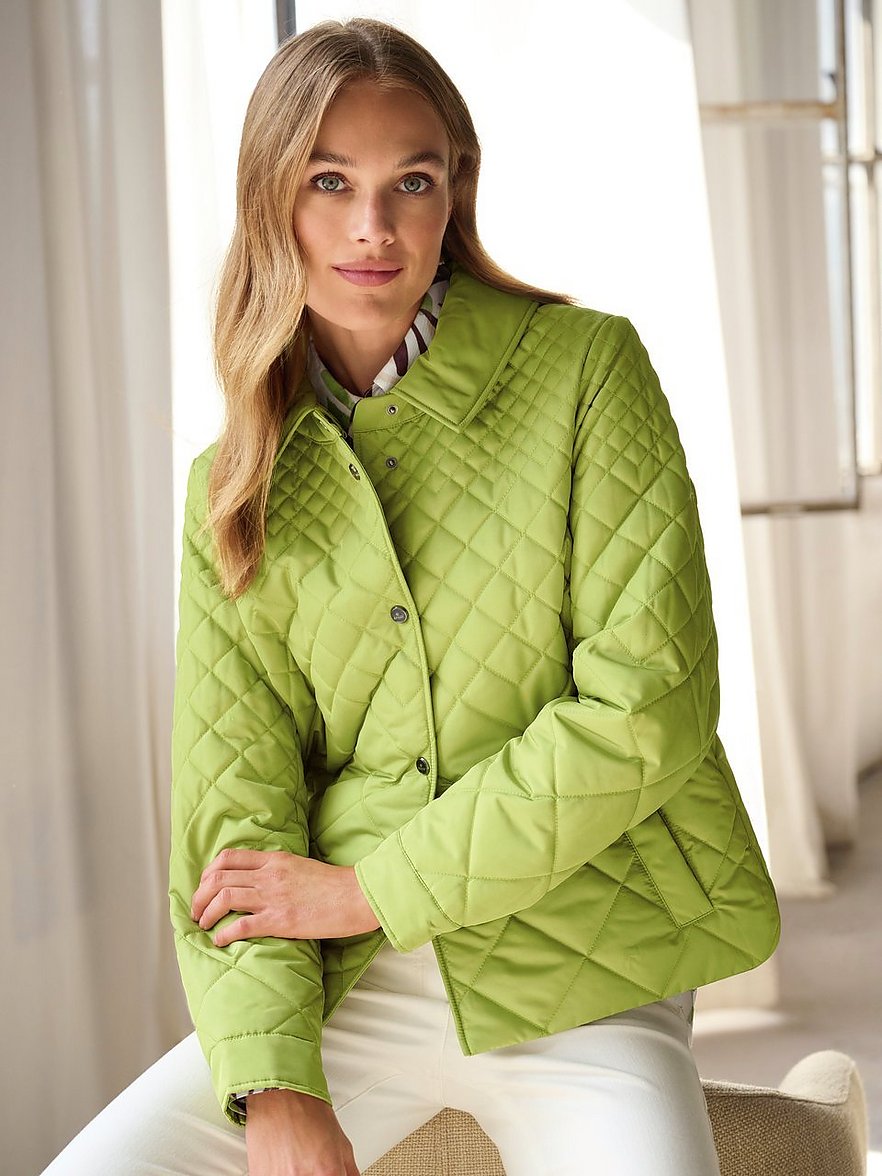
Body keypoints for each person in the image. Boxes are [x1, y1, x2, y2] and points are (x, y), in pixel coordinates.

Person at [41, 16, 780, 1176]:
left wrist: (370, 890)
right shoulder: (231, 481)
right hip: (356, 988)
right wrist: (275, 1080)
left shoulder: (588, 369)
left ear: (455, 190)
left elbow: (647, 711)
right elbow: (235, 816)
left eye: (412, 182)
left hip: (582, 959)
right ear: (271, 199)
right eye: (329, 181)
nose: (373, 228)